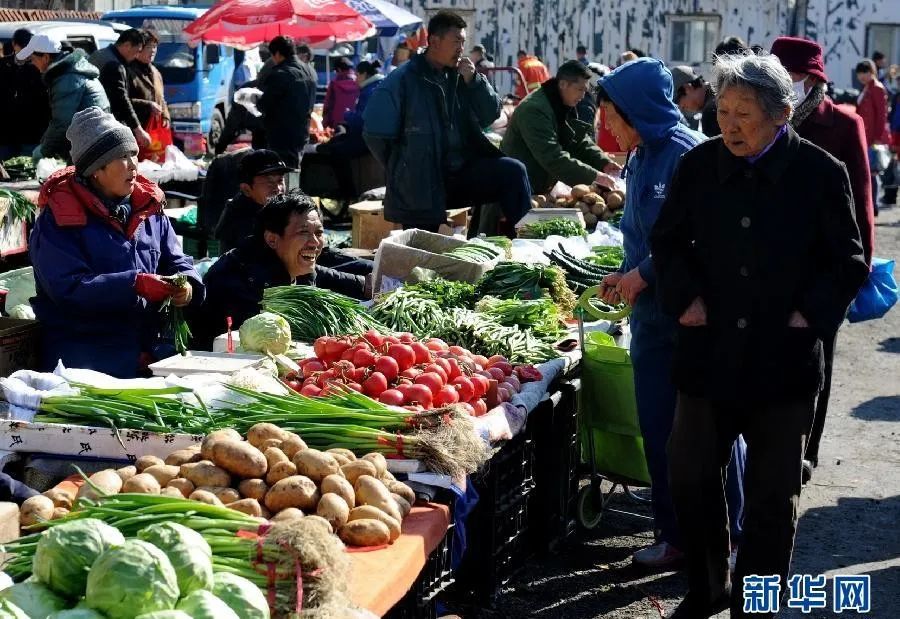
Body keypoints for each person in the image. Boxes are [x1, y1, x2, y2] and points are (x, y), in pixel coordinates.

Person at [651, 52, 868, 618]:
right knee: (691, 475)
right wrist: (685, 297)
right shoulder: (699, 166)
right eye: (723, 111)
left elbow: (848, 262)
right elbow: (667, 243)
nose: (729, 125)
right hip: (709, 352)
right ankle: (708, 587)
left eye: (744, 114)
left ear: (781, 114)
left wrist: (807, 315)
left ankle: (756, 602)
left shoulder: (821, 173)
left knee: (773, 497)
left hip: (782, 359)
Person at [594, 57, 710, 570]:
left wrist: (643, 274)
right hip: (651, 318)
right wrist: (624, 273)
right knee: (659, 427)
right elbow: (641, 234)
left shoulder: (687, 154)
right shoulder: (640, 155)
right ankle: (675, 533)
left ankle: (720, 537)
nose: (608, 128)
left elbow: (696, 236)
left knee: (702, 433)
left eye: (611, 116)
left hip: (689, 316)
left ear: (636, 110)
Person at [29, 107, 204, 378]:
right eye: (122, 157)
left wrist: (187, 285)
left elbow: (176, 259)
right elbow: (69, 289)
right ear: (95, 170)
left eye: (133, 153)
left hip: (150, 353)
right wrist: (133, 284)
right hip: (87, 361)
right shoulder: (59, 220)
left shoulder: (148, 206)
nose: (134, 165)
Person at [770, 37, 875, 484]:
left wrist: (856, 272)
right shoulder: (761, 116)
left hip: (822, 270)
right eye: (782, 75)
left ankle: (805, 450)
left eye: (796, 76)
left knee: (817, 362)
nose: (789, 84)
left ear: (814, 80)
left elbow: (862, 203)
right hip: (768, 264)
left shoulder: (844, 125)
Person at [364, 10, 532, 234]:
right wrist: (406, 168)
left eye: (463, 42)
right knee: (423, 250)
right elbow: (375, 135)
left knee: (512, 172)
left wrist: (475, 82)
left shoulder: (463, 76)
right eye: (456, 42)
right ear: (434, 41)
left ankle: (524, 242)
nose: (461, 49)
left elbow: (490, 114)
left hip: (460, 175)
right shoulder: (402, 80)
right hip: (421, 184)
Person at [194, 190, 366, 349]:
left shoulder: (286, 259)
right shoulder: (243, 281)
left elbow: (321, 273)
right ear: (272, 239)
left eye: (319, 233)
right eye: (303, 232)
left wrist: (364, 285)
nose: (315, 242)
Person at [501, 60, 619, 194]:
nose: (582, 96)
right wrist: (596, 177)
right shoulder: (534, 110)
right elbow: (552, 157)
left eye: (585, 91)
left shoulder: (562, 103)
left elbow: (579, 140)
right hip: (515, 188)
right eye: (580, 89)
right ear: (563, 84)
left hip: (535, 186)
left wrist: (604, 163)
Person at [17, 34, 109, 161]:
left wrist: (44, 150)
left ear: (45, 57)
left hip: (91, 144)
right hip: (95, 139)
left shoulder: (66, 78)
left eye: (33, 59)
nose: (32, 63)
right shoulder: (68, 71)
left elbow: (62, 122)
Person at [258, 36, 317, 168]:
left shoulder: (280, 74)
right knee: (295, 168)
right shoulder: (310, 71)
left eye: (272, 55)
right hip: (302, 131)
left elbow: (264, 104)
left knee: (281, 171)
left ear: (278, 54)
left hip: (282, 134)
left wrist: (256, 101)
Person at [215, 149, 291, 253]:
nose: (277, 188)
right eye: (269, 182)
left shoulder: (280, 207)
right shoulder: (238, 218)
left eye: (280, 180)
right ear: (246, 189)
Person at [91, 29, 149, 150]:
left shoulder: (99, 54)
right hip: (103, 124)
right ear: (127, 45)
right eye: (136, 51)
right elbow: (120, 99)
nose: (137, 56)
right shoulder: (114, 65)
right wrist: (138, 129)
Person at [0, 29, 50, 160]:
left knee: (27, 167)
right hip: (6, 134)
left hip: (32, 133)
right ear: (14, 45)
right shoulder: (3, 65)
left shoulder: (38, 67)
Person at [855, 59, 890, 213]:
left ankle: (873, 206)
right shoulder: (867, 87)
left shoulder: (876, 88)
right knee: (868, 171)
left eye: (865, 72)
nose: (862, 76)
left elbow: (882, 115)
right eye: (860, 73)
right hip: (866, 135)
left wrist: (877, 137)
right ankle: (870, 205)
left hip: (873, 138)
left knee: (872, 172)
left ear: (872, 72)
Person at [127, 30, 170, 144]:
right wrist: (148, 105)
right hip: (135, 130)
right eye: (148, 47)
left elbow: (161, 98)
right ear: (139, 48)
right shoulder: (128, 71)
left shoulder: (155, 72)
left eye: (155, 47)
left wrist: (165, 115)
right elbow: (123, 101)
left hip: (154, 131)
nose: (153, 51)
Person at [671, 65, 720, 136]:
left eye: (677, 101)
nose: (681, 107)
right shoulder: (719, 92)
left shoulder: (711, 111)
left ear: (687, 88)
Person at [322, 57, 359, 129]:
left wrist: (325, 124)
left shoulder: (334, 84)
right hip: (354, 122)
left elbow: (328, 105)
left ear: (339, 69)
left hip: (336, 123)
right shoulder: (359, 83)